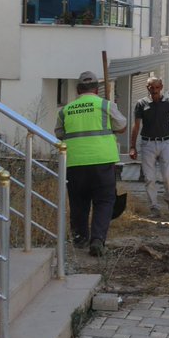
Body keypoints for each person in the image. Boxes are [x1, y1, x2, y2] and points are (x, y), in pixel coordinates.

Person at [55, 70, 127, 257]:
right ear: (96, 89)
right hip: (102, 161)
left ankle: (80, 239)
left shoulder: (66, 109)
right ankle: (97, 240)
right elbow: (122, 126)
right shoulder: (105, 105)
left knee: (79, 202)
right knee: (104, 201)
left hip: (75, 162)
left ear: (78, 89)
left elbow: (59, 133)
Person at [128, 76, 169, 219]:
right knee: (149, 177)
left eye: (156, 87)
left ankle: (168, 197)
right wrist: (132, 146)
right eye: (151, 87)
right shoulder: (141, 103)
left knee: (168, 175)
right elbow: (136, 126)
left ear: (161, 87)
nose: (154, 90)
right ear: (147, 88)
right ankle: (154, 206)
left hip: (166, 142)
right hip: (148, 143)